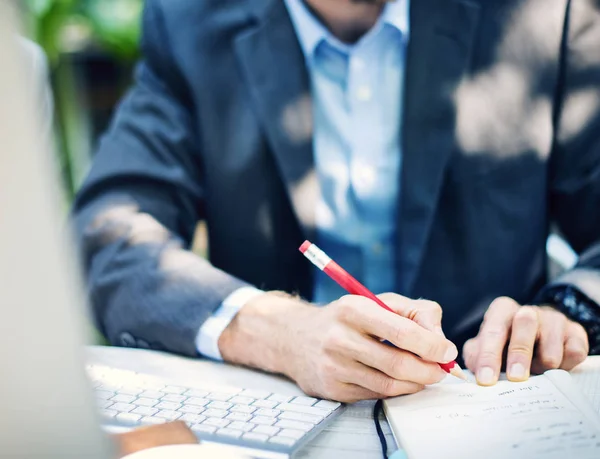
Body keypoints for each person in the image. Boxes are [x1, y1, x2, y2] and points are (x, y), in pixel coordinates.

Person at [73, 0, 600, 402]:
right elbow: (111, 235)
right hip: (289, 408)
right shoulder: (189, 19)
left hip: (492, 397)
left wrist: (565, 310)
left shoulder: (544, 12)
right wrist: (276, 331)